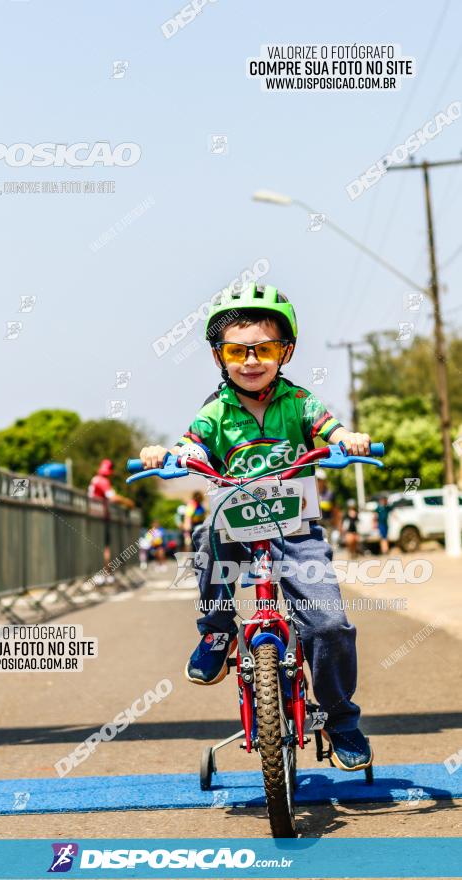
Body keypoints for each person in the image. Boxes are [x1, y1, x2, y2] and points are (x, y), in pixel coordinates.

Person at [137, 283, 374, 772]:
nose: (250, 360)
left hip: (296, 531)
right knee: (208, 542)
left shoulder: (300, 404)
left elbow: (329, 429)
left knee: (329, 625)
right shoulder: (216, 412)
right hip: (236, 525)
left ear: (284, 352)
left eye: (263, 349)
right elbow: (194, 446)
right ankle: (217, 633)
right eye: (235, 350)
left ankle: (339, 718)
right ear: (218, 357)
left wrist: (346, 439)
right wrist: (172, 455)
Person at [88, 459, 134, 581]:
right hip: (100, 517)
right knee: (104, 546)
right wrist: (127, 502)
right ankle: (105, 574)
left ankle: (101, 574)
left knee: (98, 545)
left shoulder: (95, 479)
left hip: (93, 516)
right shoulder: (102, 481)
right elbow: (112, 497)